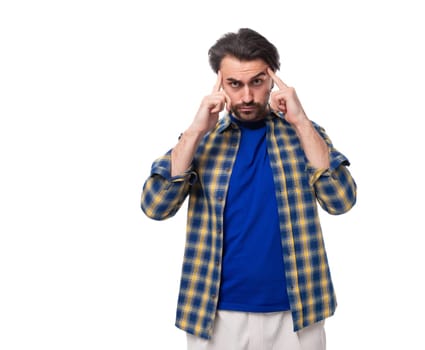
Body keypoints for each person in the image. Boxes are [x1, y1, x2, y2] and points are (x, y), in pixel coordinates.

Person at [141, 28, 357, 350]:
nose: (246, 97)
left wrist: (301, 121)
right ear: (219, 82)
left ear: (273, 79)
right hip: (215, 314)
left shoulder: (305, 134)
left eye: (256, 81)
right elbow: (155, 206)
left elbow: (341, 200)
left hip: (297, 311)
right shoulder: (201, 139)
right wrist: (196, 129)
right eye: (235, 84)